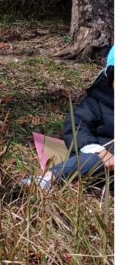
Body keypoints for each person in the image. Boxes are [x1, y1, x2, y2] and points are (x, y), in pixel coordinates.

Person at [31, 45, 114, 188]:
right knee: (93, 159)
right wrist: (95, 148)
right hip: (101, 158)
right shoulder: (97, 101)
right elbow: (77, 124)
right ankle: (48, 178)